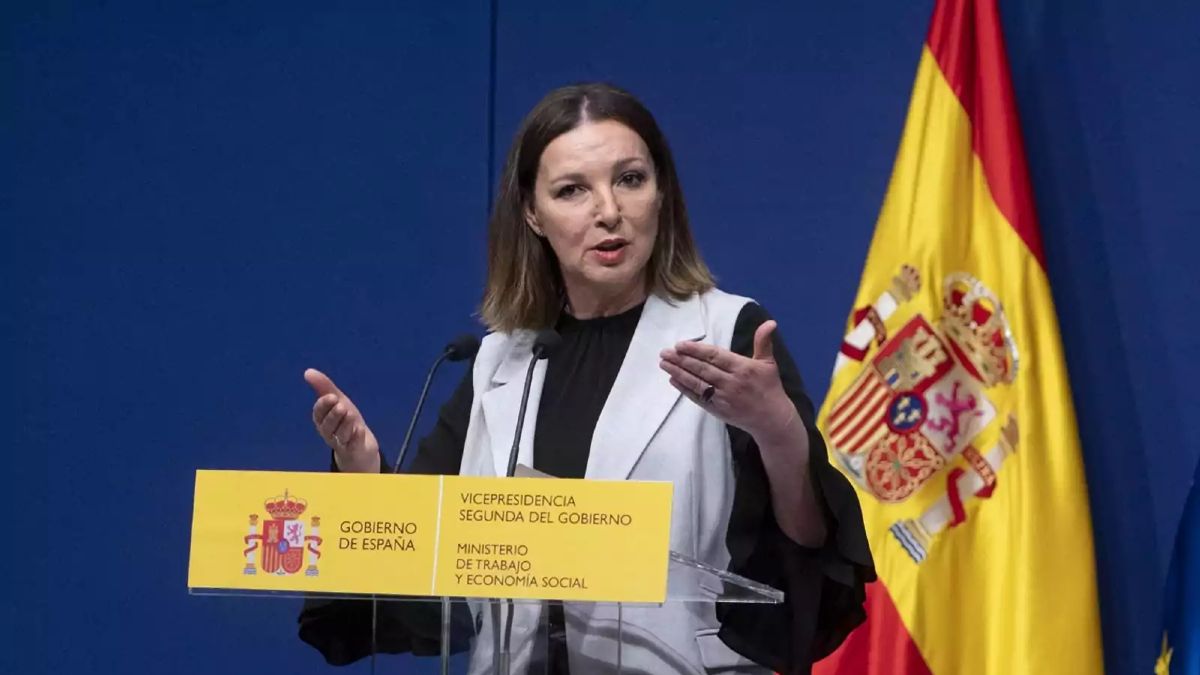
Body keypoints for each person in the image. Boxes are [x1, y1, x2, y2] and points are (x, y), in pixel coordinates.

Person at [297, 82, 874, 675]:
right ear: (532, 213)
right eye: (572, 190)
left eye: (630, 179)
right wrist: (362, 471)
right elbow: (421, 560)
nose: (608, 212)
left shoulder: (727, 331)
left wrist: (778, 430)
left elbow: (804, 560)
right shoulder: (501, 362)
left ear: (662, 191)